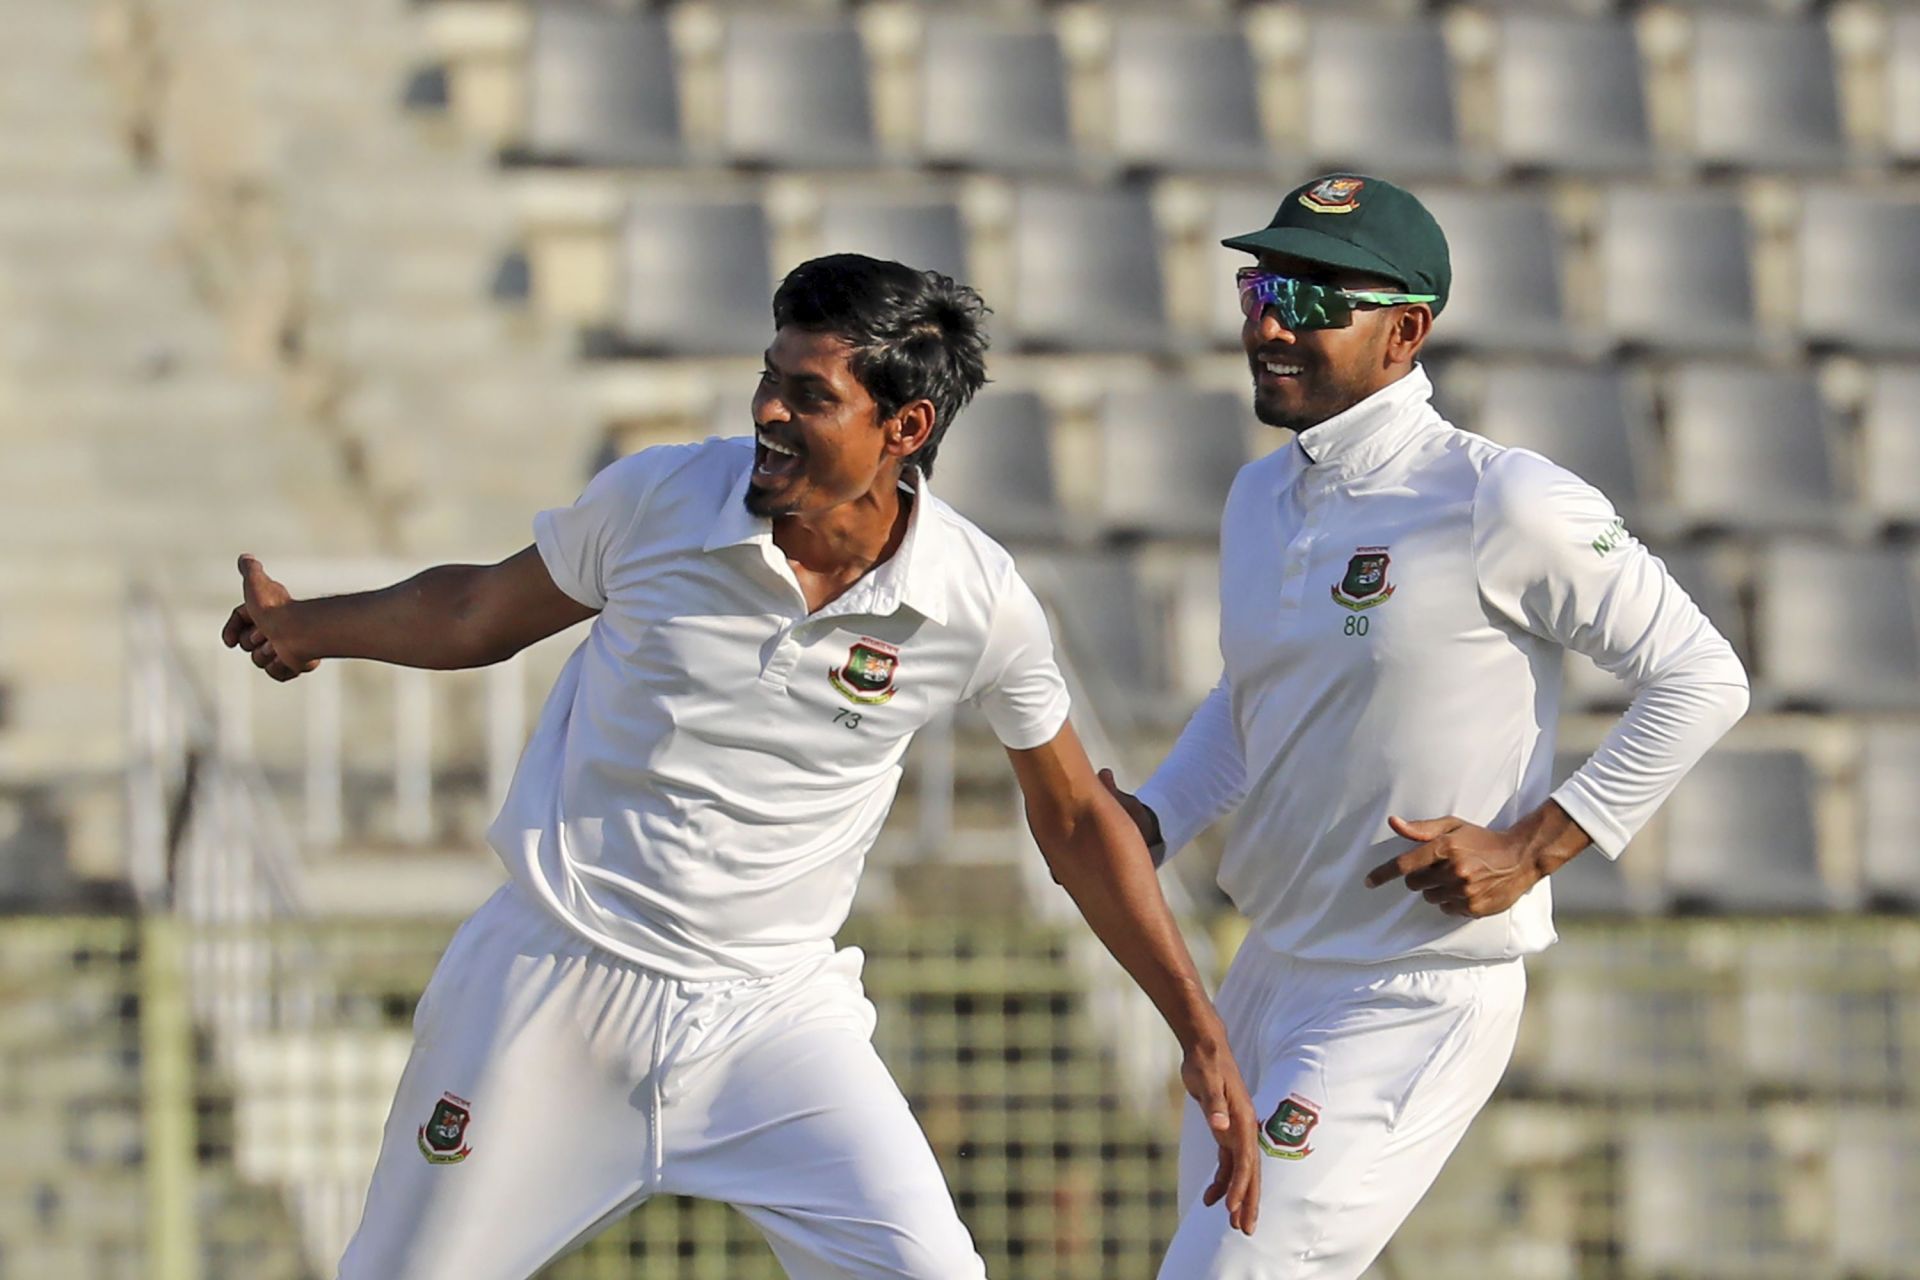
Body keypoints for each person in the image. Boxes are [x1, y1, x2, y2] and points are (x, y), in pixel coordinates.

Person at [221, 254, 1262, 1279]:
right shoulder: (660, 498)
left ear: (906, 430)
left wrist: (1200, 1030)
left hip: (771, 1013)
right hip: (553, 982)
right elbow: (476, 610)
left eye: (809, 395)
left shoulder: (976, 599)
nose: (769, 411)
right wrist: (310, 625)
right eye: (770, 377)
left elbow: (1079, 820)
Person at [1098, 175, 1751, 1279]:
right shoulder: (1258, 498)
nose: (1267, 321)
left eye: (1310, 298)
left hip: (1412, 989)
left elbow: (1702, 673)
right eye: (1262, 286)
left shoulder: (1502, 498)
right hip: (1263, 969)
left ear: (1406, 330)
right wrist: (1153, 817)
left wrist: (1534, 845)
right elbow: (1251, 699)